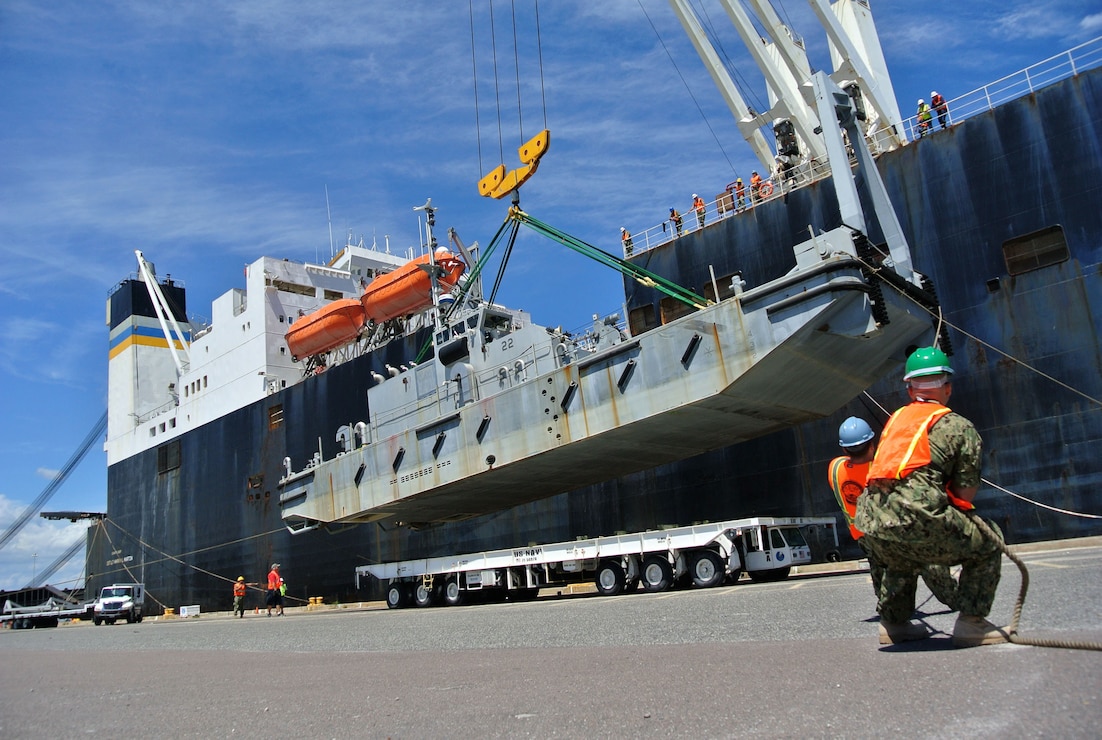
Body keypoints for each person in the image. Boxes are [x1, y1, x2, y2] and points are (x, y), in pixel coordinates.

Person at [855, 347, 1008, 648]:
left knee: (902, 556)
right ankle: (972, 623)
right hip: (918, 519)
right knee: (989, 542)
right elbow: (965, 493)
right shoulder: (958, 427)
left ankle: (894, 624)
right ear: (947, 387)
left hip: (873, 528)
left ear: (910, 388)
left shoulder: (895, 422)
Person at [829, 416, 959, 609]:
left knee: (880, 567)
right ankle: (956, 599)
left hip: (863, 534)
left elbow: (850, 462)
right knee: (928, 562)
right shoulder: (881, 469)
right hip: (891, 531)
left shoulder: (835, 468)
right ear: (871, 445)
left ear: (844, 448)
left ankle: (889, 608)